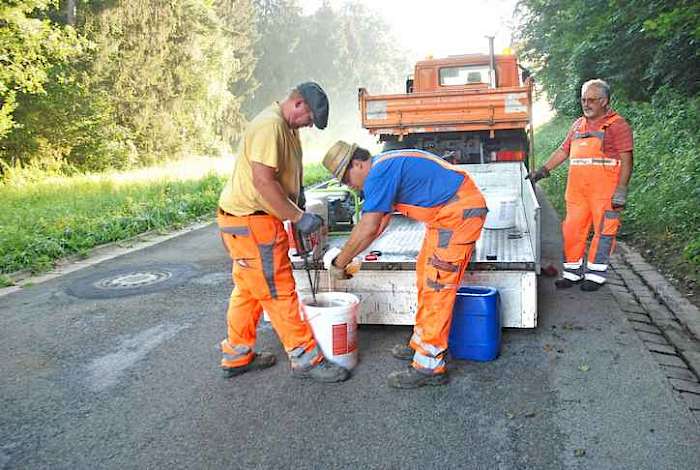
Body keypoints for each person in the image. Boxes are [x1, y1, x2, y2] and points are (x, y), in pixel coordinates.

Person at [322, 142, 487, 389]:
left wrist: (340, 262)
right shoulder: (383, 166)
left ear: (357, 164)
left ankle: (430, 365)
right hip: (445, 217)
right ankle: (421, 346)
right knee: (425, 278)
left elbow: (368, 227)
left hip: (457, 215)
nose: (350, 186)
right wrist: (352, 254)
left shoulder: (378, 172)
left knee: (437, 288)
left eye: (347, 179)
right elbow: (378, 225)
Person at [216, 82, 349, 383]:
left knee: (249, 291)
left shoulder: (287, 129)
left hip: (246, 223)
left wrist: (297, 203)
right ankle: (306, 358)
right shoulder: (270, 126)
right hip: (252, 222)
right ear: (298, 104)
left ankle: (236, 356)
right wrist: (298, 217)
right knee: (278, 291)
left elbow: (285, 175)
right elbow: (263, 182)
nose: (309, 125)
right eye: (310, 119)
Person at [527, 79, 634, 292]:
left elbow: (627, 158)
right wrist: (542, 170)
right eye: (583, 100)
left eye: (592, 100)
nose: (586, 104)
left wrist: (621, 190)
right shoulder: (578, 125)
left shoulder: (617, 125)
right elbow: (563, 151)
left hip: (605, 193)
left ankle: (595, 275)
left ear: (604, 101)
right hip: (577, 192)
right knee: (572, 231)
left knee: (604, 232)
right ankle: (572, 273)